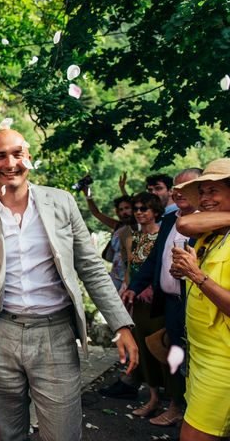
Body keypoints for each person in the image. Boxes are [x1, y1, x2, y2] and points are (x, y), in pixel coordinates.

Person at [0, 127, 138, 441]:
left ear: (29, 159)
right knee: (9, 434)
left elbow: (91, 268)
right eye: (0, 156)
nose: (10, 163)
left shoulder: (61, 203)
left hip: (55, 335)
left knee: (63, 433)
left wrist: (121, 325)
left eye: (17, 154)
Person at [121, 169, 201, 425]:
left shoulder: (209, 223)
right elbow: (154, 259)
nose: (179, 192)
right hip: (169, 303)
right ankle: (176, 406)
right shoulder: (170, 220)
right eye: (176, 187)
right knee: (173, 356)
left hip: (196, 304)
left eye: (186, 187)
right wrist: (135, 285)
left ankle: (198, 414)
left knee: (196, 358)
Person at [170, 158, 230, 440]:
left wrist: (196, 275)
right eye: (202, 192)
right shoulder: (213, 232)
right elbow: (185, 223)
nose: (205, 199)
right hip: (199, 354)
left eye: (213, 191)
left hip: (223, 363)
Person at [119, 192, 166, 418]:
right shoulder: (132, 238)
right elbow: (131, 268)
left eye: (144, 209)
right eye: (136, 209)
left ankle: (176, 400)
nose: (139, 212)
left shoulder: (163, 237)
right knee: (143, 350)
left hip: (159, 301)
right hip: (137, 300)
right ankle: (153, 398)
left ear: (155, 211)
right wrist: (127, 290)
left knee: (162, 348)